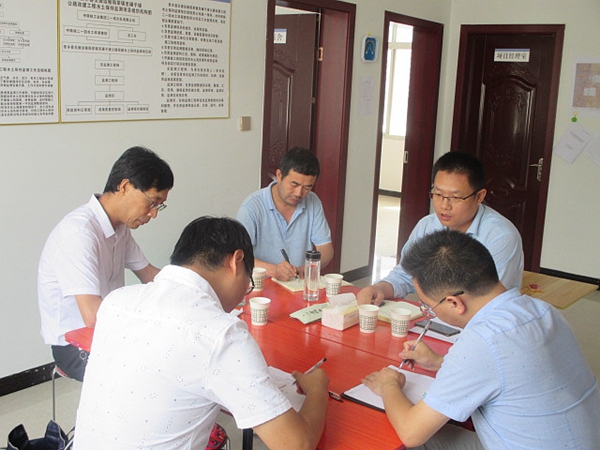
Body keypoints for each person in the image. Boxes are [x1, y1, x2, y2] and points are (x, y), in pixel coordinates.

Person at [74, 217, 329, 450]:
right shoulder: (220, 334)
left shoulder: (116, 302)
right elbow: (296, 445)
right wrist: (317, 389)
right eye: (248, 282)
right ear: (236, 261)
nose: (245, 291)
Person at [363, 229, 600, 449]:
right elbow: (508, 370)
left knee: (394, 439)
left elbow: (411, 432)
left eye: (428, 306)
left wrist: (389, 385)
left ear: (454, 303)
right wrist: (439, 362)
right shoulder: (543, 310)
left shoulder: (482, 341)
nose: (429, 311)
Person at [38, 146, 174, 381]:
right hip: (75, 344)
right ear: (125, 186)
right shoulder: (79, 233)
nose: (154, 214)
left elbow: (149, 274)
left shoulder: (119, 228)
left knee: (175, 351)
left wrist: (191, 291)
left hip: (107, 330)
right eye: (153, 202)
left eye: (159, 205)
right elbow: (92, 316)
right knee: (155, 371)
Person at [358, 151, 523, 306]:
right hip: (433, 318)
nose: (444, 205)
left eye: (455, 197)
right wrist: (379, 289)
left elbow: (486, 300)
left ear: (479, 196)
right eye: (438, 194)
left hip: (481, 322)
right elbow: (405, 274)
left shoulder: (500, 236)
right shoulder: (427, 226)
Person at [237, 147, 334, 281]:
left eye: (307, 187)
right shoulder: (252, 206)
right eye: (294, 184)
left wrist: (309, 267)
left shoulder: (313, 202)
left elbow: (326, 249)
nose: (299, 193)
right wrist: (274, 270)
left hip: (296, 283)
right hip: (261, 284)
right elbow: (238, 256)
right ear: (279, 175)